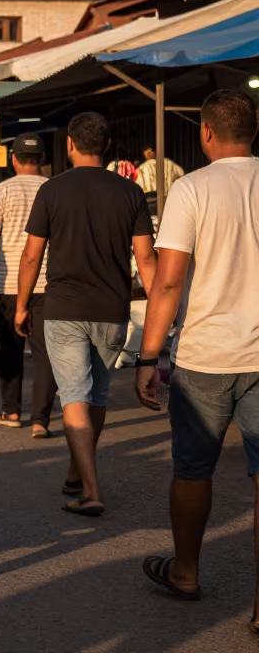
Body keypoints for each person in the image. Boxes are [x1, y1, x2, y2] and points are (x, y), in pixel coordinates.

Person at [135, 90, 259, 620]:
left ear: (206, 132)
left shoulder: (191, 189)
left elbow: (167, 283)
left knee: (192, 470)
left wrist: (148, 357)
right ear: (252, 131)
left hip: (205, 356)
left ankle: (185, 571)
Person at [16, 112, 157, 516]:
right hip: (111, 310)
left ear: (70, 146)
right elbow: (146, 259)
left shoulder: (52, 190)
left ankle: (91, 490)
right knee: (95, 394)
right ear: (108, 147)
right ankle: (77, 472)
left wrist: (23, 304)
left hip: (63, 308)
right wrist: (163, 310)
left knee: (74, 394)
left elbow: (31, 256)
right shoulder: (130, 193)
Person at [0, 134, 56, 438]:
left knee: (11, 348)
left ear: (14, 159)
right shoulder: (54, 188)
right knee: (46, 353)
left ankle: (11, 411)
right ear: (43, 159)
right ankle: (40, 420)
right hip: (48, 282)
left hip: (9, 283)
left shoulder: (1, 191)